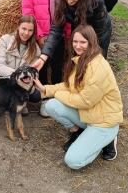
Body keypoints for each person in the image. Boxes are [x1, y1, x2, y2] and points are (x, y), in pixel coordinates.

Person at [33, 25, 123, 170]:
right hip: (89, 115)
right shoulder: (82, 60)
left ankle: (107, 139)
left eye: (83, 42)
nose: (78, 46)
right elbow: (69, 85)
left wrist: (56, 93)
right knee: (51, 105)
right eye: (75, 41)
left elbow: (85, 101)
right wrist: (46, 89)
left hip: (103, 121)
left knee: (73, 161)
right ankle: (79, 131)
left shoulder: (98, 66)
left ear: (91, 42)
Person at [34, 0, 112, 65]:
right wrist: (43, 56)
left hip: (99, 31)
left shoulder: (96, 1)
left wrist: (93, 52)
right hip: (79, 25)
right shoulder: (60, 1)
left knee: (95, 60)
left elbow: (99, 33)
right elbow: (56, 30)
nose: (70, 0)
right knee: (78, 55)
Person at [21, 0, 70, 89]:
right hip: (40, 35)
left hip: (59, 34)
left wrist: (67, 34)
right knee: (40, 67)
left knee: (58, 67)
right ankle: (40, 96)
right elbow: (27, 11)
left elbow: (69, 10)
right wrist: (38, 35)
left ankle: (55, 96)